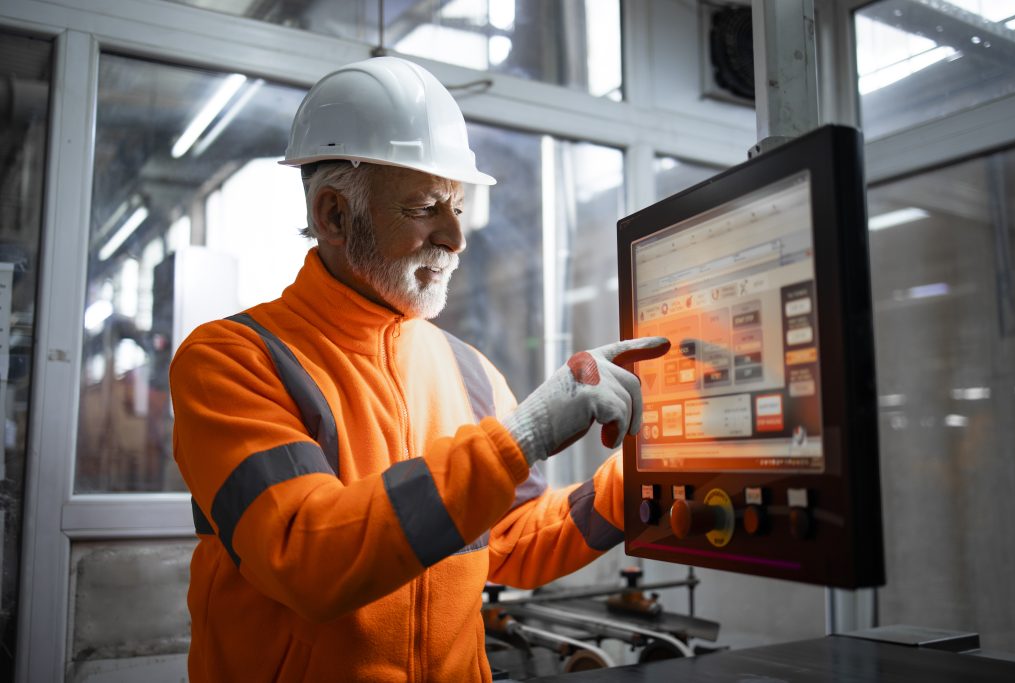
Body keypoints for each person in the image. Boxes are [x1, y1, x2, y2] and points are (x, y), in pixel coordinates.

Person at [170, 56, 669, 682]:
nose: (456, 238)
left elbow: (510, 541)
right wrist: (526, 434)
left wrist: (654, 474)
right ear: (333, 215)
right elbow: (304, 554)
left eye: (457, 206)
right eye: (426, 207)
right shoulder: (234, 360)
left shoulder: (470, 371)